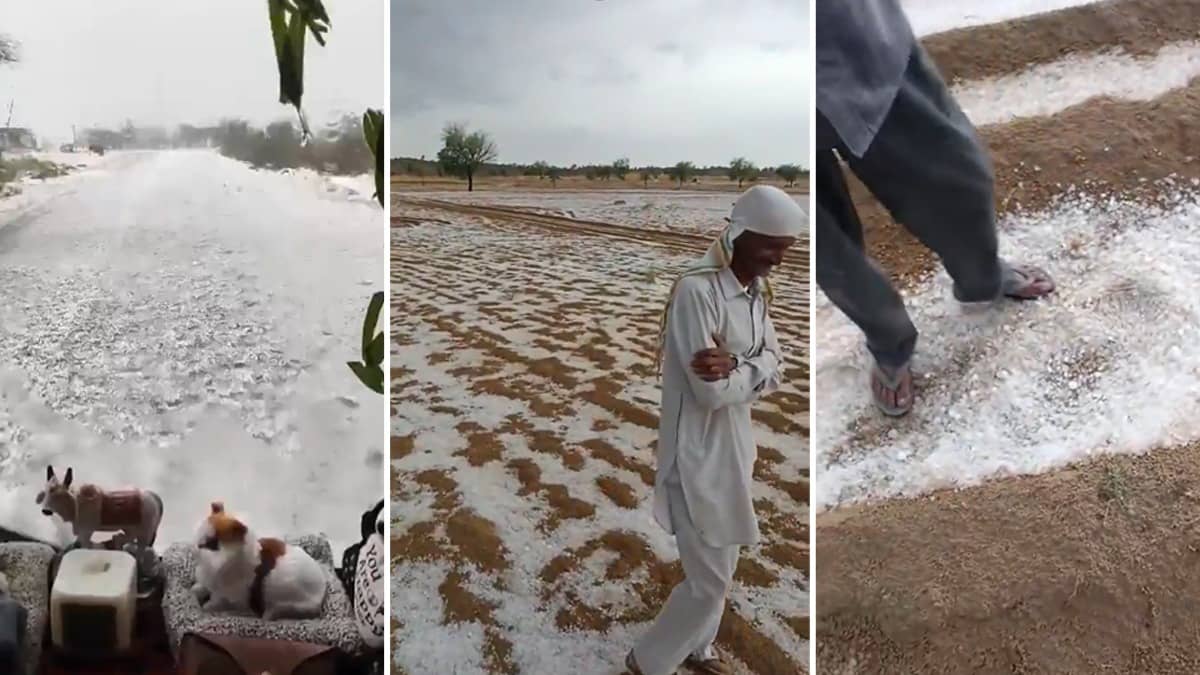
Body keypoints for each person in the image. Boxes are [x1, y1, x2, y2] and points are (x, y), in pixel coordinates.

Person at [815, 0, 1055, 416]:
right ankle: (889, 342)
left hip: (851, 38)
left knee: (959, 177)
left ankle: (982, 276)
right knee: (826, 249)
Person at [626, 185, 803, 675]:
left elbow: (777, 360)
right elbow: (710, 392)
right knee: (707, 579)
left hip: (736, 447)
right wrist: (754, 371)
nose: (779, 260)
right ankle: (648, 661)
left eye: (786, 249)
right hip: (696, 451)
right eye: (772, 247)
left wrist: (741, 364)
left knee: (723, 562)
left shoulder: (754, 293)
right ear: (740, 236)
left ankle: (697, 649)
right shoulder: (696, 292)